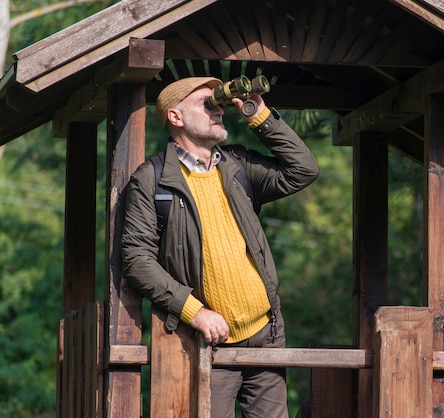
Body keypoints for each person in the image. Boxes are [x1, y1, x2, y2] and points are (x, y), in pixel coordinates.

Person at [121, 76, 319, 418]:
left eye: (218, 104)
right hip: (206, 344)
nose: (218, 111)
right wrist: (195, 313)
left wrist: (258, 115)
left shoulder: (236, 164)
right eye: (206, 104)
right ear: (176, 117)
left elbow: (303, 170)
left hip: (266, 332)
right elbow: (137, 260)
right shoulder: (151, 179)